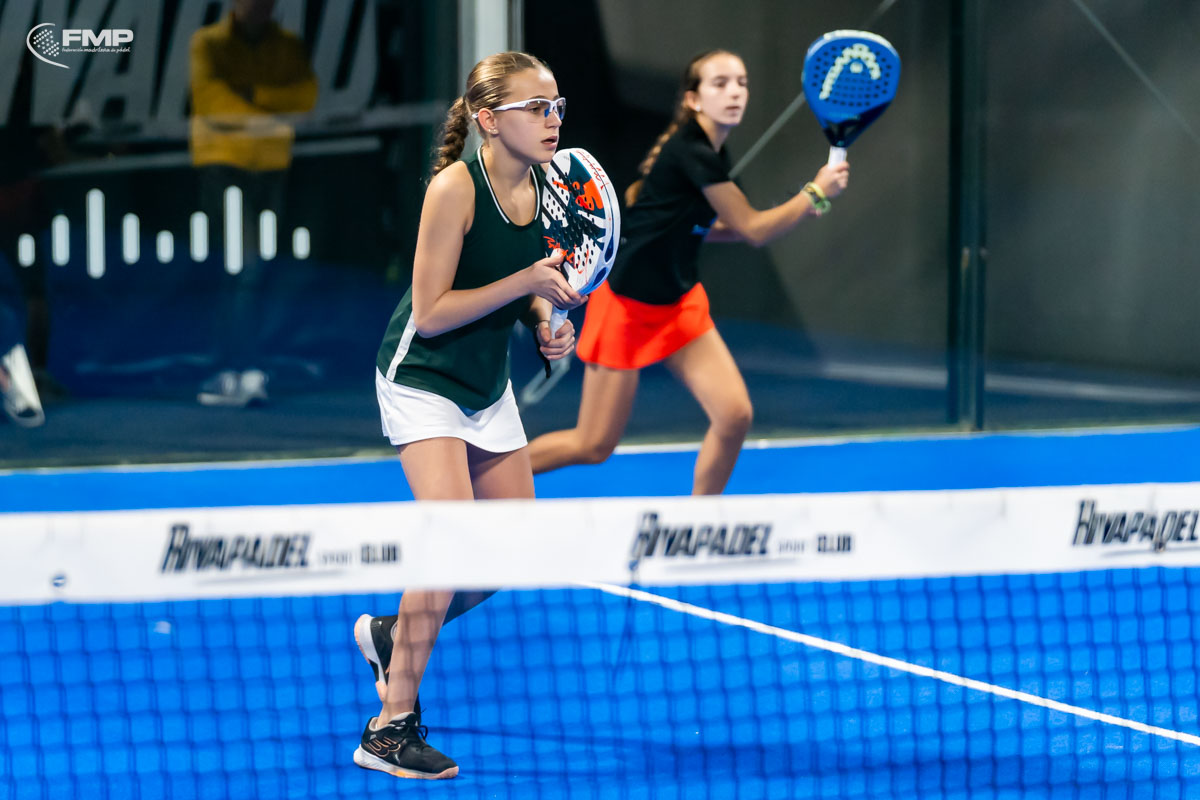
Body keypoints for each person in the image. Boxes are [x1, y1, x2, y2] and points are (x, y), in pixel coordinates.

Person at [354, 51, 579, 780]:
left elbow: (531, 284)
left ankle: (393, 633)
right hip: (422, 379)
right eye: (535, 107)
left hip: (486, 387)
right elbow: (431, 311)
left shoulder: (550, 183)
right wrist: (526, 283)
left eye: (556, 106)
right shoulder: (454, 189)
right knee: (449, 544)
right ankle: (388, 730)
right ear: (489, 120)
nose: (551, 119)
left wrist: (543, 318)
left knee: (507, 551)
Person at [526, 49, 850, 494]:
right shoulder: (692, 152)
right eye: (720, 83)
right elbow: (753, 229)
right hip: (627, 306)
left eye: (741, 82)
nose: (735, 92)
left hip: (678, 303)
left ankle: (700, 519)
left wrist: (797, 210)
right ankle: (485, 480)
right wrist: (814, 193)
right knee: (593, 445)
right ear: (694, 99)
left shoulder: (708, 148)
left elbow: (703, 227)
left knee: (734, 416)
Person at [189, 0, 317, 407]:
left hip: (272, 169)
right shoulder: (208, 43)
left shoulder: (287, 45)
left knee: (258, 270)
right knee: (241, 269)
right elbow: (214, 104)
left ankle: (244, 366)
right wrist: (273, 109)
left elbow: (305, 97)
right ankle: (236, 367)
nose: (258, 6)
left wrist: (253, 94)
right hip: (225, 167)